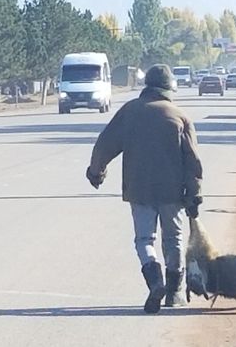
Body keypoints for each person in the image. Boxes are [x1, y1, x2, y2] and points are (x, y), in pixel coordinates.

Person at [86, 64, 203, 314]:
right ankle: (174, 292)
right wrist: (194, 194)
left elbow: (105, 143)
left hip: (139, 189)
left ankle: (155, 281)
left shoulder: (130, 112)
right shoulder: (179, 116)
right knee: (174, 239)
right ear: (169, 87)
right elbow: (193, 161)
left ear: (147, 85)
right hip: (173, 192)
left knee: (144, 239)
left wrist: (97, 171)